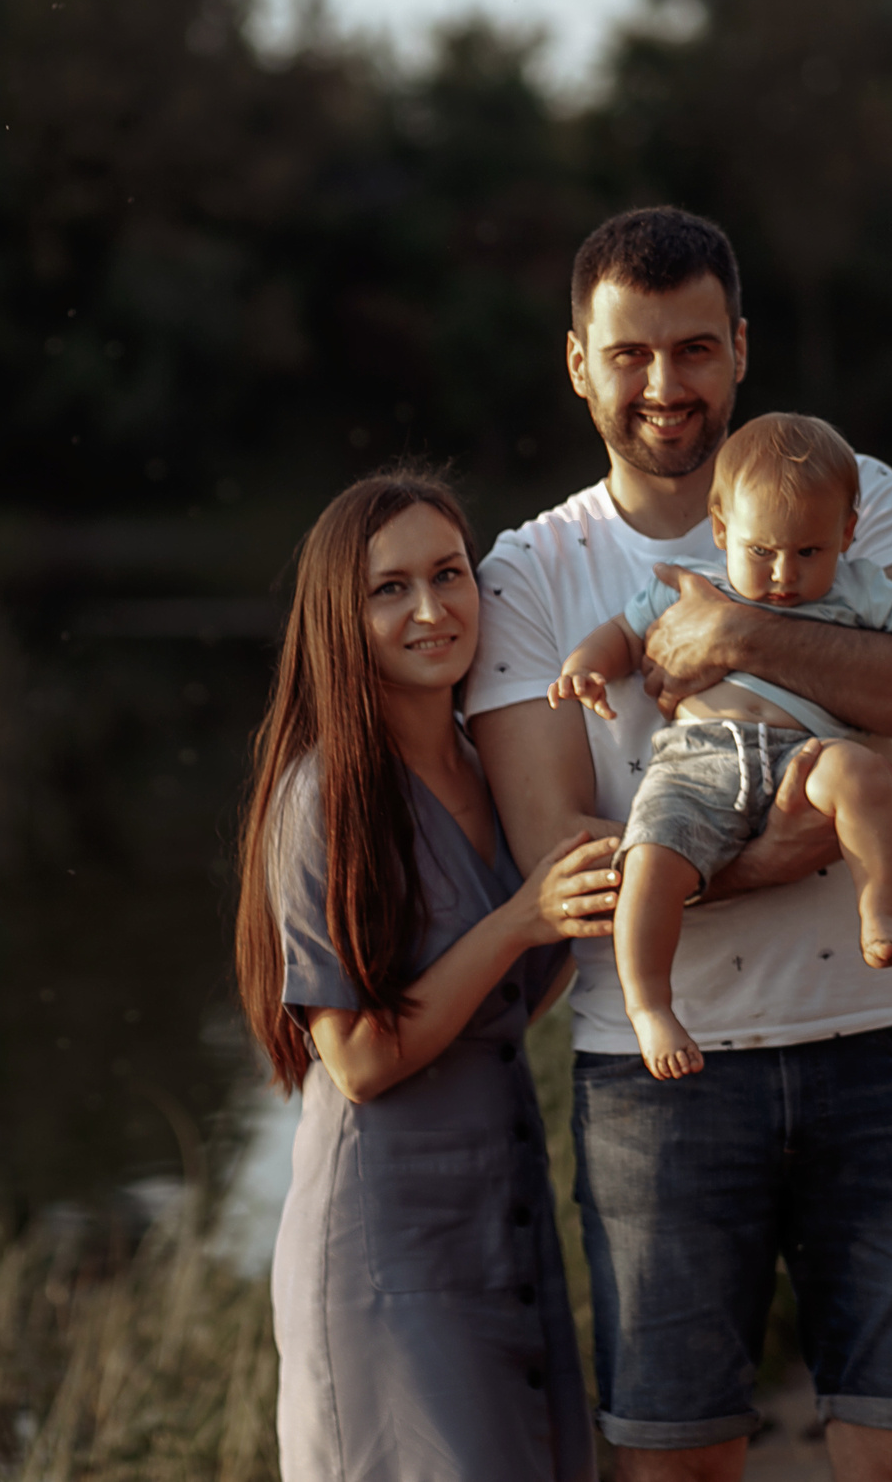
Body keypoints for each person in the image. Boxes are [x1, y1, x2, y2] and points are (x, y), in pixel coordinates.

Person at [466, 207, 892, 1481]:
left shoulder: (844, 490)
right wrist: (777, 854)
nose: (664, 384)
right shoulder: (530, 573)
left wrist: (743, 634)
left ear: (741, 348)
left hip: (878, 1035)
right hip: (656, 1075)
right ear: (579, 364)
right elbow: (562, 858)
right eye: (630, 353)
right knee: (677, 1465)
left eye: (694, 348)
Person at [238, 468, 621, 1482]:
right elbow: (359, 1060)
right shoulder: (323, 796)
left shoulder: (493, 765)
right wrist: (520, 918)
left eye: (449, 574)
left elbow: (511, 997)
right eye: (390, 589)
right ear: (341, 617)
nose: (431, 610)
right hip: (386, 1251)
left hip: (506, 1220)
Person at [545, 413, 892, 1081]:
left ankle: (879, 915)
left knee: (864, 776)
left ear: (846, 534)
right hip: (699, 763)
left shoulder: (857, 587)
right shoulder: (689, 583)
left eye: (809, 552)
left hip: (805, 756)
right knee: (650, 859)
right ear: (722, 530)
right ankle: (651, 1007)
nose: (784, 573)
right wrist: (584, 668)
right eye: (762, 551)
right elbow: (622, 635)